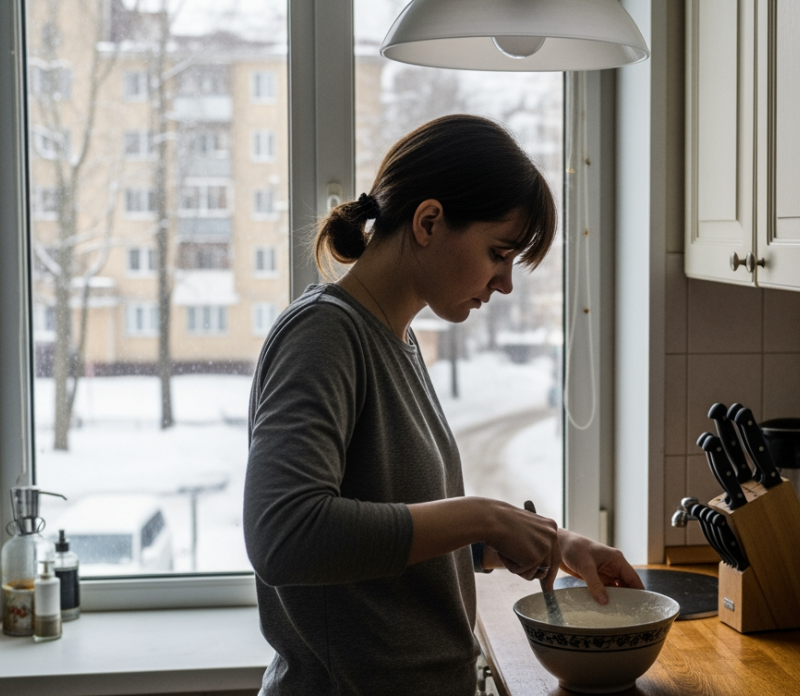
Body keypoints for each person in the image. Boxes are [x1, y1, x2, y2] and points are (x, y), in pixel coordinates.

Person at [243, 114, 643, 695]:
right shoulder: (323, 336)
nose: (505, 283)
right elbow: (284, 536)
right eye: (498, 252)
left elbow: (392, 532)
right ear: (429, 221)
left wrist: (549, 544)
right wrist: (483, 514)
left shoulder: (397, 339)